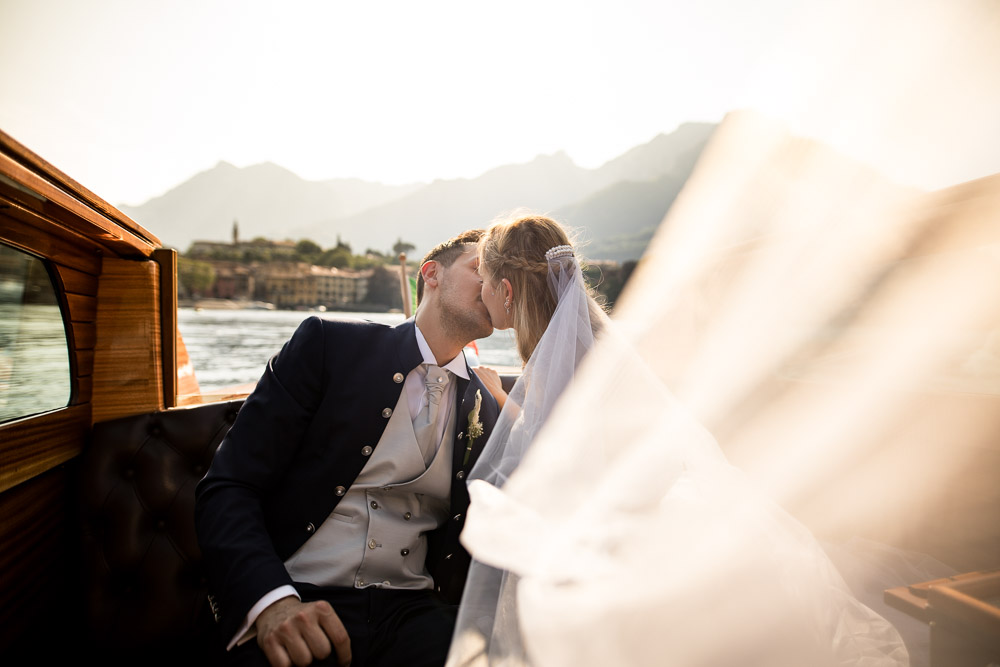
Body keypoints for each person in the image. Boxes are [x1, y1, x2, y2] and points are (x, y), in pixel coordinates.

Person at [447, 213, 911, 666]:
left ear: (506, 292)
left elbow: (553, 457)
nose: (482, 292)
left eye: (485, 280)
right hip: (647, 513)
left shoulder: (563, 360)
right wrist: (502, 395)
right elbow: (565, 436)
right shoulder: (596, 344)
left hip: (610, 541)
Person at [195, 229, 501, 667]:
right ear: (431, 274)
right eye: (479, 269)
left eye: (498, 275)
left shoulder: (486, 404)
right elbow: (228, 487)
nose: (491, 284)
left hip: (415, 615)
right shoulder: (328, 346)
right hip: (298, 597)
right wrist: (272, 603)